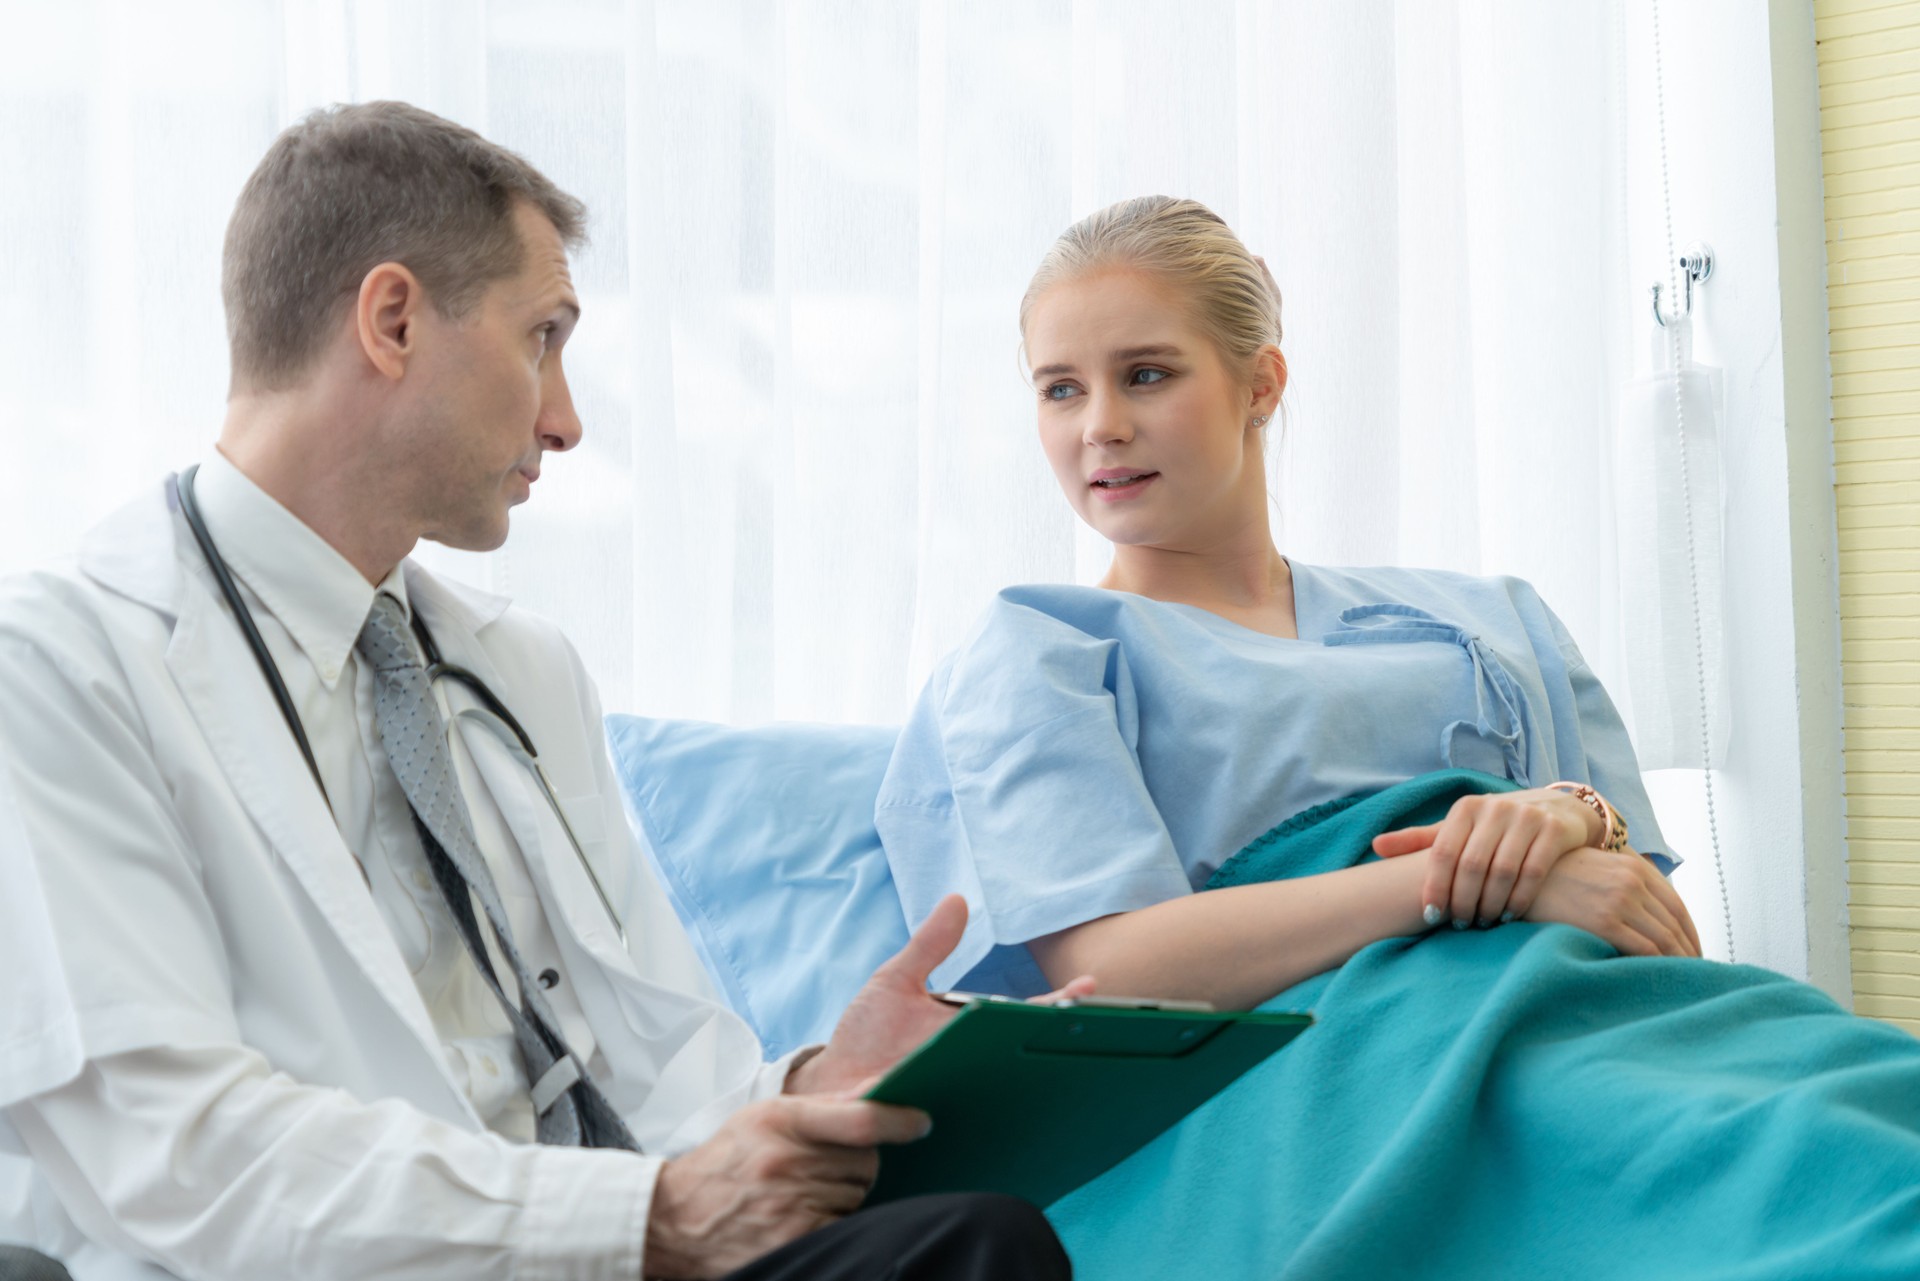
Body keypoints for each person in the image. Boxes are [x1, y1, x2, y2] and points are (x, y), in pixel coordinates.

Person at [0, 102, 1077, 1281]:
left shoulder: (520, 669)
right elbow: (171, 1156)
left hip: (605, 1254)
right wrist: (642, 1223)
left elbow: (669, 1091)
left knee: (975, 1236)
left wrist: (818, 1088)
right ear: (393, 320)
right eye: (542, 338)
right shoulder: (57, 666)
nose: (563, 421)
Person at [875, 195, 1920, 1278]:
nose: (1099, 424)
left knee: (1852, 1109)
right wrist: (1489, 880)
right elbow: (1113, 970)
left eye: (1146, 373)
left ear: (1260, 383)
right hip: (1334, 1075)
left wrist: (1580, 821)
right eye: (1060, 389)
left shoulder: (1490, 619)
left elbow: (1651, 928)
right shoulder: (1040, 652)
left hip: (1613, 1023)